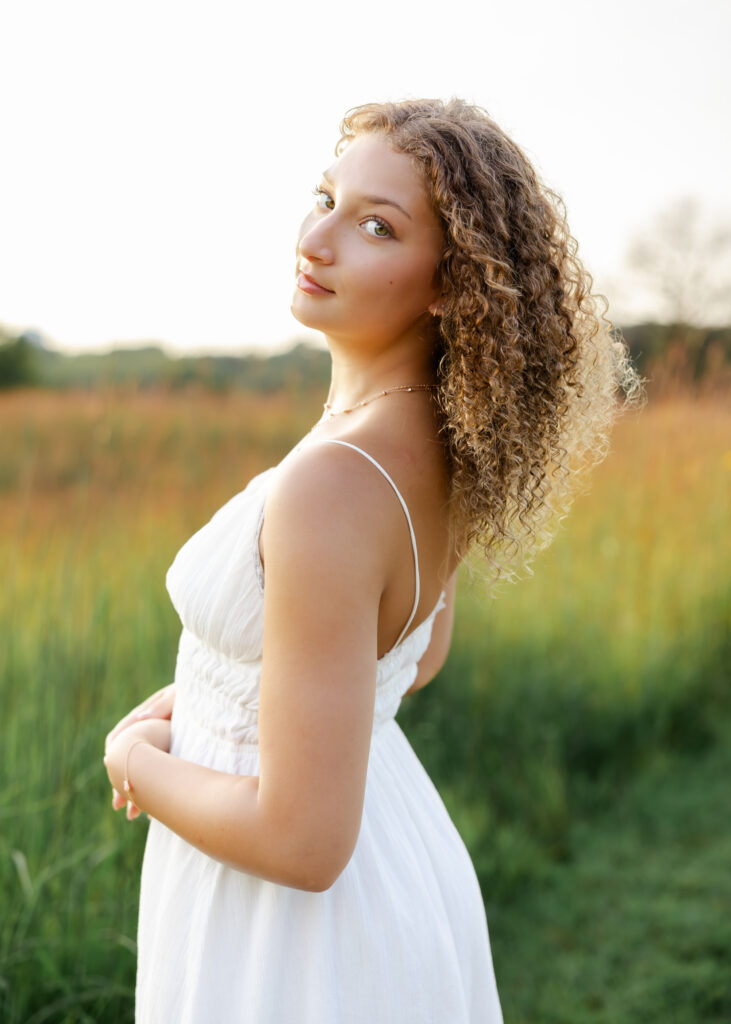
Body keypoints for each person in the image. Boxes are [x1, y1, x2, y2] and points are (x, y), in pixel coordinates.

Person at [103, 98, 640, 1022]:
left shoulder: (338, 479)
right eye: (325, 197)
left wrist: (133, 759)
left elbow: (304, 842)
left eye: (376, 226)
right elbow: (407, 660)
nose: (317, 239)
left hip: (292, 937)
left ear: (449, 284)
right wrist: (221, 699)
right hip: (396, 855)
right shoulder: (434, 445)